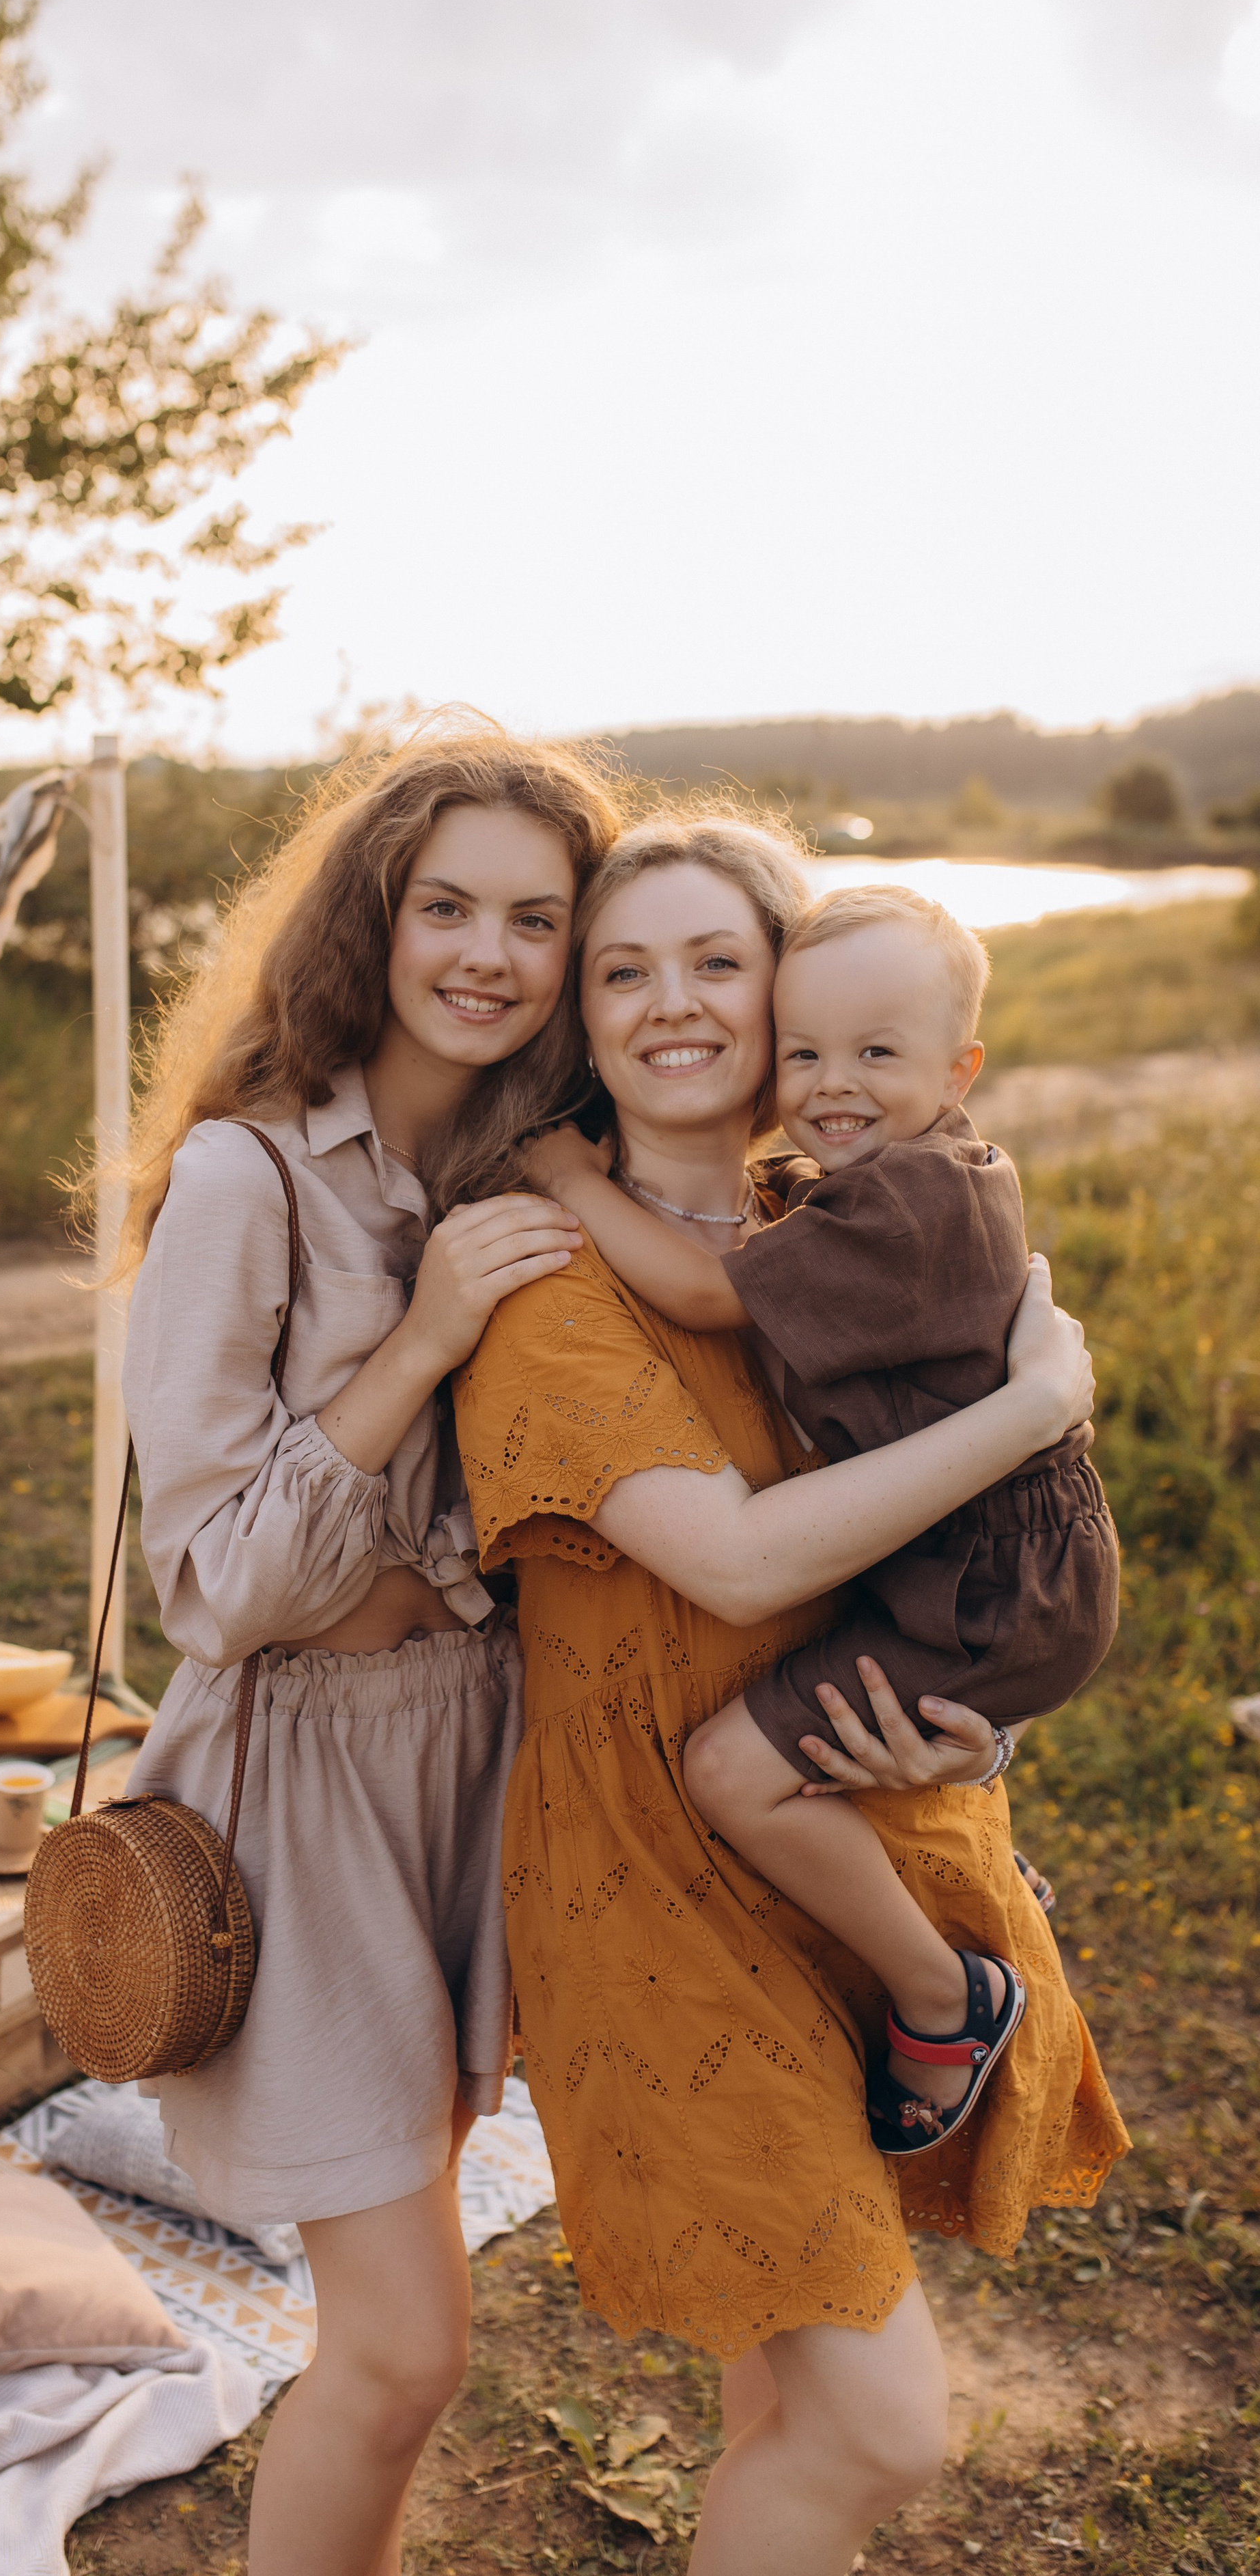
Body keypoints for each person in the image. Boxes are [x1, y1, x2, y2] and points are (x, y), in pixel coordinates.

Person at [452, 809, 1128, 2576]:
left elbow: (956, 1551)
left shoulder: (819, 1219)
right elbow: (746, 1565)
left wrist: (992, 1711)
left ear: (781, 994)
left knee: (793, 2393)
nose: (671, 1003)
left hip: (846, 1817)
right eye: (621, 968)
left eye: (715, 963)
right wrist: (1036, 1409)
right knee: (884, 2420)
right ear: (578, 1020)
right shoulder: (550, 1282)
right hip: (666, 1881)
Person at [104, 720, 620, 2576]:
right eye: (448, 906)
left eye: (537, 918)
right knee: (405, 2345)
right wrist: (415, 1349)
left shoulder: (537, 1163)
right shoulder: (254, 1178)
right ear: (374, 921)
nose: (489, 953)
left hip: (467, 1766)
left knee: (403, 2339)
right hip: (302, 1789)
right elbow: (218, 1587)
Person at [524, 881, 1120, 2153]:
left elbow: (695, 1285)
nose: (832, 1083)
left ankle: (944, 1993)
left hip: (986, 1582)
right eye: (806, 1053)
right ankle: (948, 1887)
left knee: (738, 1770)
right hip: (981, 1560)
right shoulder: (881, 1176)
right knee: (835, 1736)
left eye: (876, 1053)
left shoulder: (908, 1202)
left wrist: (571, 1173)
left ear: (960, 1067)